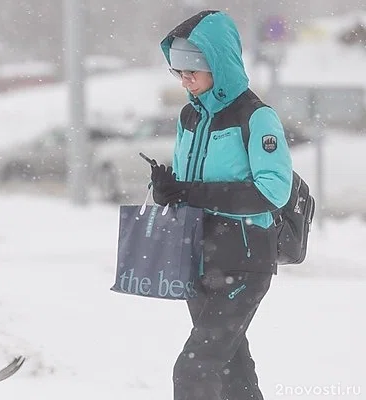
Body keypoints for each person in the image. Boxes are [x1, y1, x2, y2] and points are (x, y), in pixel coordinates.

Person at [147, 10, 293, 400]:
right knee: (232, 372)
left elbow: (272, 191)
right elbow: (189, 185)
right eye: (178, 71)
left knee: (194, 369)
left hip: (244, 261)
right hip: (197, 257)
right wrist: (169, 190)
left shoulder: (255, 117)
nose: (185, 79)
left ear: (219, 63)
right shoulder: (189, 117)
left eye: (193, 69)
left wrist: (195, 193)